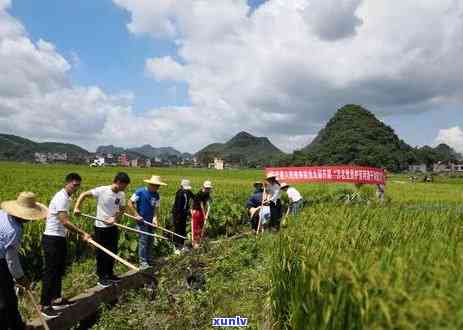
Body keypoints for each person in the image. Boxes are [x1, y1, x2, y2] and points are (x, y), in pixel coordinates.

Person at [40, 173, 91, 318]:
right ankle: (44, 305)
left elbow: (61, 221)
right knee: (50, 272)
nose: (76, 188)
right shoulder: (61, 198)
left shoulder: (67, 197)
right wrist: (82, 233)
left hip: (59, 238)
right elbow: (64, 221)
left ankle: (56, 299)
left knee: (58, 270)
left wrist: (66, 233)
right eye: (74, 185)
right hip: (52, 239)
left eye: (78, 186)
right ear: (67, 183)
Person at [74, 172, 130, 288]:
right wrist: (77, 207)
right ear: (118, 182)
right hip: (100, 227)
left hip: (113, 227)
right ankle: (101, 277)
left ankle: (110, 274)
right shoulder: (102, 190)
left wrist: (114, 218)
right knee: (102, 253)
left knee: (112, 251)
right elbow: (84, 194)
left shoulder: (121, 194)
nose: (124, 188)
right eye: (124, 185)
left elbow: (122, 209)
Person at [0, 192, 48, 328]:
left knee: (7, 298)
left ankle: (17, 325)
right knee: (6, 300)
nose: (31, 219)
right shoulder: (14, 230)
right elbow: (11, 260)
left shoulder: (2, 213)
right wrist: (21, 278)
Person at [128, 175, 166, 268]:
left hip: (150, 222)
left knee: (150, 240)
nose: (157, 188)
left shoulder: (156, 195)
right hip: (142, 221)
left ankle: (149, 259)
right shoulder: (140, 192)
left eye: (158, 186)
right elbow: (129, 203)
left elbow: (156, 208)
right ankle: (143, 262)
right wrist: (136, 215)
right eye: (155, 186)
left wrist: (155, 218)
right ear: (150, 184)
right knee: (143, 241)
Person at [171, 179, 194, 254]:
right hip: (178, 215)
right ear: (181, 186)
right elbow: (178, 207)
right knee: (178, 230)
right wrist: (177, 217)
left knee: (183, 230)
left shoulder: (188, 192)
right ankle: (176, 247)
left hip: (184, 214)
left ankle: (181, 245)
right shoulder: (179, 194)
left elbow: (194, 197)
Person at [191, 181, 213, 248]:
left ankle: (199, 241)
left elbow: (207, 203)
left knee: (201, 226)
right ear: (204, 187)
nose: (208, 190)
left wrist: (206, 213)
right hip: (196, 211)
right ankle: (195, 243)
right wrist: (204, 215)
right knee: (196, 227)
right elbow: (201, 205)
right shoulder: (200, 194)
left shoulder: (207, 194)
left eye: (209, 188)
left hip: (201, 212)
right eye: (207, 188)